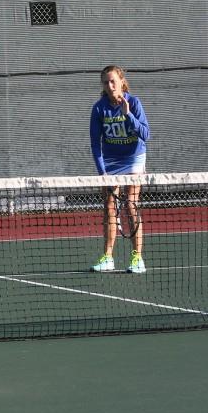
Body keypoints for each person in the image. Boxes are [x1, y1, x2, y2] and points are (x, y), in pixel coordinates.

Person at [89, 65, 151, 274]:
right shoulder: (99, 109)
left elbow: (145, 134)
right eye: (105, 82)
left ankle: (137, 258)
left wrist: (128, 115)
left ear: (121, 82)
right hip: (111, 161)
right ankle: (108, 257)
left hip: (134, 159)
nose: (109, 85)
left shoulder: (133, 103)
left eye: (113, 81)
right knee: (109, 208)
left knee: (131, 206)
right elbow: (95, 143)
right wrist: (102, 172)